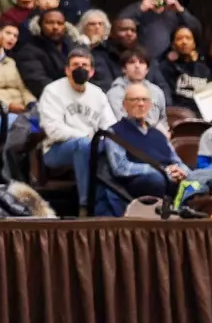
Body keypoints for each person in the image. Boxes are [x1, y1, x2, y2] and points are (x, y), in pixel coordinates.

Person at [34, 48, 114, 212]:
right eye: (75, 65)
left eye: (84, 65)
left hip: (91, 145)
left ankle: (113, 205)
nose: (80, 68)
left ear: (91, 71)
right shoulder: (52, 91)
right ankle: (86, 205)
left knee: (111, 147)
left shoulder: (97, 93)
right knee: (83, 144)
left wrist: (102, 141)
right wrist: (87, 138)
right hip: (56, 150)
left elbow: (109, 126)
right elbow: (54, 131)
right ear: (67, 70)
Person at [95, 83, 176, 215]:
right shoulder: (114, 132)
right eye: (135, 100)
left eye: (144, 100)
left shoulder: (159, 134)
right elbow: (120, 167)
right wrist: (164, 171)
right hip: (136, 180)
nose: (140, 104)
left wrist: (182, 172)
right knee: (155, 179)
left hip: (167, 175)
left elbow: (176, 160)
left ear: (150, 105)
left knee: (195, 181)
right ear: (124, 105)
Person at [118, 0, 200, 60]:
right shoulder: (137, 8)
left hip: (169, 62)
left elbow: (197, 30)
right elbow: (118, 27)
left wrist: (181, 10)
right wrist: (139, 9)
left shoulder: (174, 10)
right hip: (143, 61)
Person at [105, 47, 170, 133]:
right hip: (125, 136)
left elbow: (162, 119)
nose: (137, 66)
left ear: (147, 69)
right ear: (124, 69)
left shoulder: (157, 91)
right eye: (132, 62)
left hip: (154, 135)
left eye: (142, 62)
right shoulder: (114, 93)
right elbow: (118, 120)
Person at [13, 8, 75, 97]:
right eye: (50, 23)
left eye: (60, 23)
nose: (55, 27)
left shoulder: (73, 46)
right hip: (51, 99)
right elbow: (38, 82)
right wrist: (69, 94)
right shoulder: (28, 51)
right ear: (40, 25)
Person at [156, 26, 212, 113]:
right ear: (173, 45)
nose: (184, 42)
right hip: (176, 116)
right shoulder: (165, 68)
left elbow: (209, 99)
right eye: (179, 39)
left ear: (194, 44)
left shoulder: (204, 70)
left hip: (202, 117)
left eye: (188, 38)